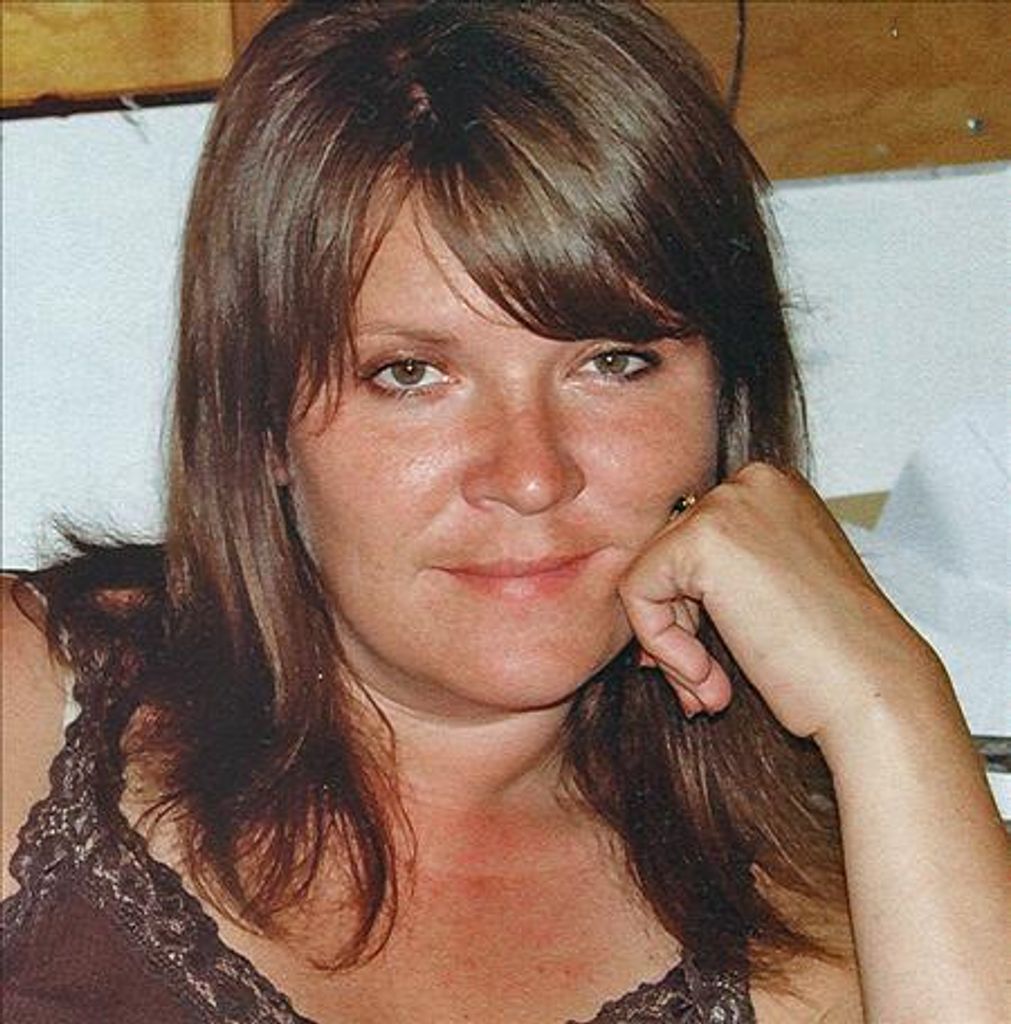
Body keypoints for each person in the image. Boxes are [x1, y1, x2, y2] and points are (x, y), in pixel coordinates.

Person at [2, 3, 1007, 1022]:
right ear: (261, 422)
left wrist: (890, 703)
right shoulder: (32, 696)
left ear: (724, 402)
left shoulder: (828, 932)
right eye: (411, 374)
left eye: (613, 362)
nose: (530, 476)